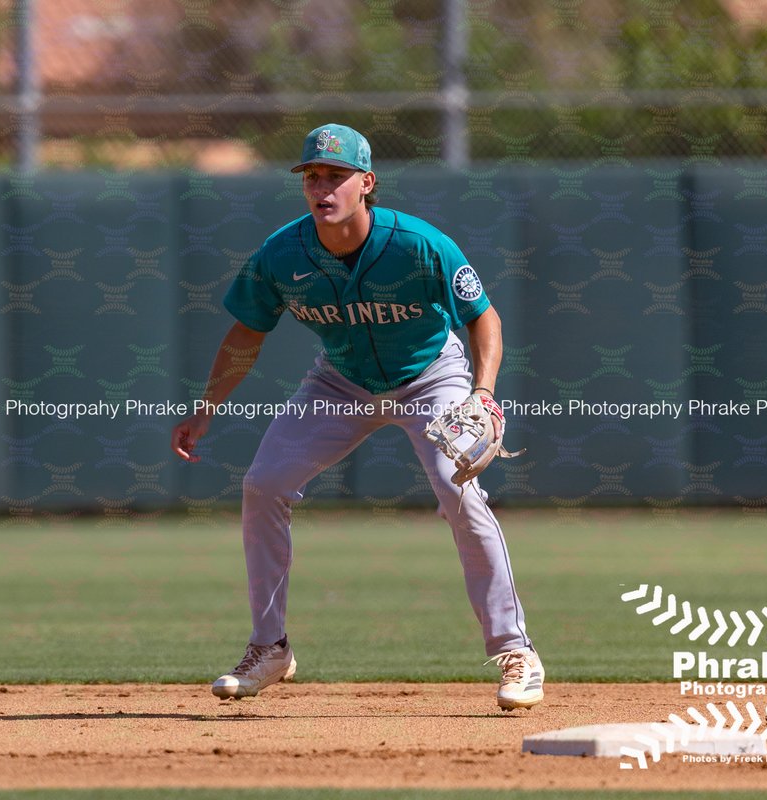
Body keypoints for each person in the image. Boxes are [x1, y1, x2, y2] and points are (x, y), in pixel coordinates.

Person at [170, 124, 543, 710]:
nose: (323, 187)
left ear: (366, 183)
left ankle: (515, 651)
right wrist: (207, 407)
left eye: (336, 176)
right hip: (339, 381)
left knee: (459, 492)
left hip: (431, 376)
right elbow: (246, 334)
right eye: (312, 176)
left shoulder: (417, 244)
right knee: (262, 485)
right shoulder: (283, 253)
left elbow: (483, 317)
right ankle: (270, 648)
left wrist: (483, 391)